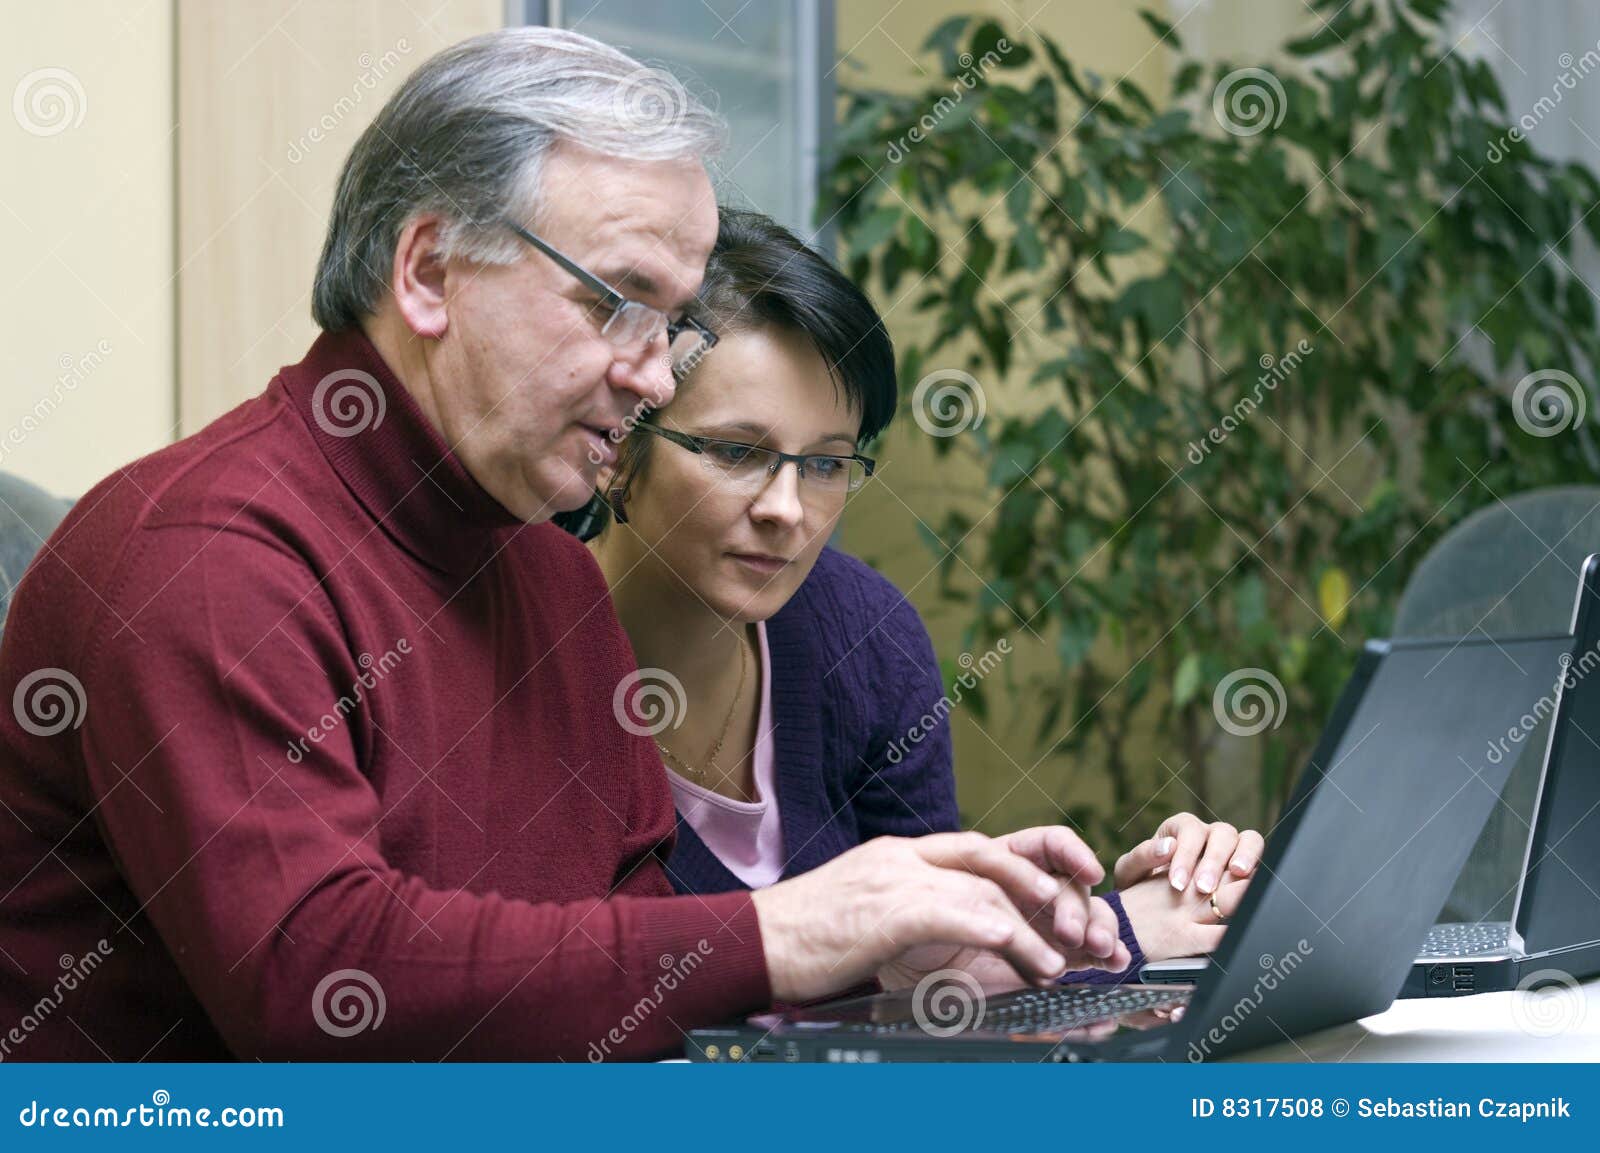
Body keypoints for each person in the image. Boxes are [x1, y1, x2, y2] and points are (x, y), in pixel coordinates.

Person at [0, 28, 1130, 1063]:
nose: (654, 374)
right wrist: (788, 929)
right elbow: (320, 980)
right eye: (616, 303)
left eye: (676, 322)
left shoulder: (546, 568)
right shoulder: (204, 556)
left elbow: (623, 959)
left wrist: (912, 962)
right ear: (429, 270)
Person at [585, 208, 1266, 978]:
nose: (786, 510)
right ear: (614, 444)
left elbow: (913, 989)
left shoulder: (866, 636)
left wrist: (1101, 927)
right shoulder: (508, 659)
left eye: (825, 463)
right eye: (738, 452)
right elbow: (557, 1009)